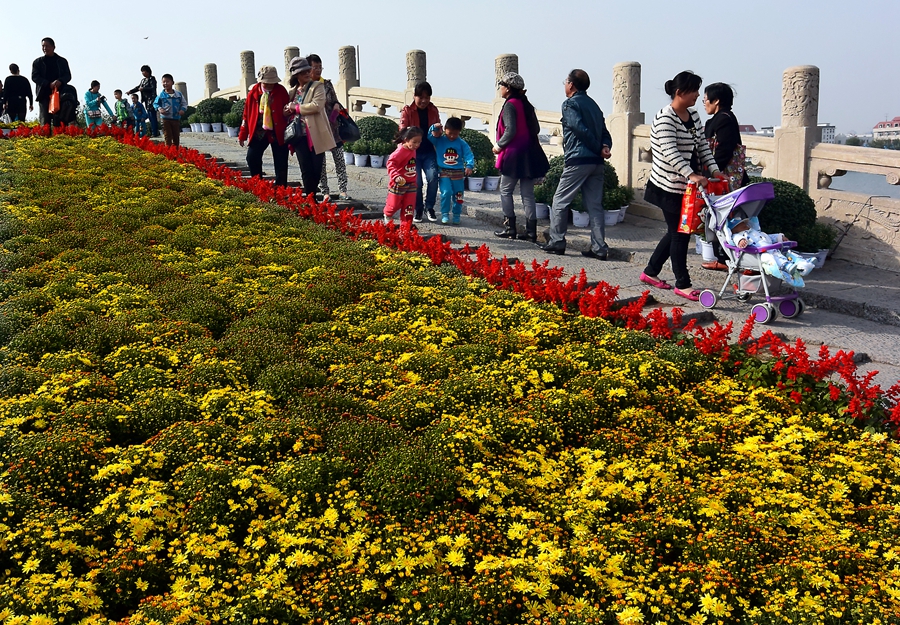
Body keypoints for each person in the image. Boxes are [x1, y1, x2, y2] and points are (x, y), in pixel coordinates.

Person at [639, 70, 726, 302]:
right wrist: (692, 175)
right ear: (680, 93)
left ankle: (650, 272)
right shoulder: (665, 118)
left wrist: (714, 169)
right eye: (695, 90)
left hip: (684, 185)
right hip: (666, 185)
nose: (699, 95)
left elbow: (702, 146)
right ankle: (683, 284)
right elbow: (670, 153)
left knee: (675, 231)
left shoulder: (693, 116)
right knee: (680, 233)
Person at [539, 69, 613, 260]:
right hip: (596, 162)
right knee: (595, 206)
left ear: (571, 84)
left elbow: (578, 128)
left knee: (560, 201)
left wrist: (597, 147)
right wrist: (604, 146)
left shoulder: (570, 104)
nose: (565, 84)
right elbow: (605, 131)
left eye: (566, 81)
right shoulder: (594, 106)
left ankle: (557, 241)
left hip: (578, 160)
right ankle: (599, 248)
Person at [492, 71, 550, 243]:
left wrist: (499, 145)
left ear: (508, 88)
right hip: (530, 152)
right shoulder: (526, 104)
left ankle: (510, 228)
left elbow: (510, 130)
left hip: (514, 154)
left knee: (505, 190)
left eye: (501, 85)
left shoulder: (510, 105)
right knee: (527, 194)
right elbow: (537, 129)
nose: (500, 88)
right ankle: (531, 232)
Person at [702, 82, 750, 271]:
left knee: (729, 219)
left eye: (706, 99)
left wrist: (712, 174)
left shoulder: (725, 119)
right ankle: (723, 258)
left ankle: (737, 259)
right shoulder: (716, 119)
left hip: (725, 180)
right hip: (719, 178)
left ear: (717, 100)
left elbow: (723, 150)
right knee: (718, 218)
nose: (704, 103)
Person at [284, 56, 336, 196]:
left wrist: (296, 107)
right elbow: (287, 109)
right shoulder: (293, 91)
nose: (307, 73)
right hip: (299, 135)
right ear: (296, 75)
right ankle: (310, 198)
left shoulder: (317, 87)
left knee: (316, 168)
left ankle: (311, 195)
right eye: (303, 72)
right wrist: (287, 109)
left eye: (308, 70)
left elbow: (317, 106)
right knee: (305, 168)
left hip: (315, 134)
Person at [238, 65, 290, 187]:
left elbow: (287, 109)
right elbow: (246, 115)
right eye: (267, 83)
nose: (270, 85)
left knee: (281, 161)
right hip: (259, 131)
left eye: (272, 83)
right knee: (252, 157)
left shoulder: (281, 91)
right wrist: (242, 134)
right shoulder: (254, 92)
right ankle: (258, 184)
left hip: (277, 131)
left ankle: (281, 188)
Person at [307, 54, 350, 202]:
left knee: (339, 160)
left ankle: (343, 190)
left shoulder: (327, 84)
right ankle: (325, 191)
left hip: (333, 129)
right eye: (315, 67)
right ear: (308, 69)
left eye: (320, 67)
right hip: (316, 130)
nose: (318, 70)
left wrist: (337, 106)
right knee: (321, 164)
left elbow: (335, 101)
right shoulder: (306, 87)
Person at [727, 217, 814, 287]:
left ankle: (802, 265)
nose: (745, 225)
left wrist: (779, 237)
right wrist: (741, 241)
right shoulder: (738, 235)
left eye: (745, 224)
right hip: (760, 254)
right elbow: (736, 239)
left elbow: (769, 237)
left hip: (772, 250)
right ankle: (787, 266)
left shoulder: (757, 233)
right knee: (773, 258)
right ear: (734, 230)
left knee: (788, 254)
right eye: (741, 225)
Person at [400, 81, 440, 222]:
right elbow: (402, 130)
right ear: (414, 96)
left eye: (427, 97)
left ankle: (429, 207)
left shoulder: (433, 110)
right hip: (413, 153)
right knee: (416, 181)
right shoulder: (407, 110)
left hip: (429, 151)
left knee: (433, 177)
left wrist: (438, 131)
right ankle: (418, 208)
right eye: (420, 97)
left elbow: (438, 131)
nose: (424, 101)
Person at [428, 117, 475, 225]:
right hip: (444, 172)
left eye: (455, 134)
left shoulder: (462, 143)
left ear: (459, 132)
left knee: (458, 195)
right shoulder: (439, 140)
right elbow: (429, 136)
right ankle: (445, 214)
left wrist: (469, 165)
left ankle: (457, 214)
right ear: (445, 129)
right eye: (450, 133)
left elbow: (468, 155)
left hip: (458, 173)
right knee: (446, 192)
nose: (452, 136)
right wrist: (434, 127)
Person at [384, 126, 423, 231]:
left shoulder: (412, 150)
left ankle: (405, 228)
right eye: (414, 142)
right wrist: (396, 176)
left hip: (411, 184)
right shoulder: (400, 151)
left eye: (419, 142)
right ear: (406, 139)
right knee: (393, 205)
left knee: (409, 208)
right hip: (398, 184)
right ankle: (387, 214)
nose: (417, 145)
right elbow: (391, 163)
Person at [31, 37, 71, 127]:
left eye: (47, 46)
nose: (45, 48)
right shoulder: (38, 62)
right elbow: (35, 77)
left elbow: (68, 76)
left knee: (60, 121)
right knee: (45, 121)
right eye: (43, 46)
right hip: (44, 94)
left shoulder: (62, 61)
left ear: (53, 47)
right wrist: (48, 84)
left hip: (60, 95)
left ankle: (60, 138)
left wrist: (60, 81)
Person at [153, 74, 187, 147]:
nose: (165, 84)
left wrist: (182, 110)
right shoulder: (161, 95)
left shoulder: (178, 94)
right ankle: (169, 152)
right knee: (167, 136)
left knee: (176, 137)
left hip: (176, 118)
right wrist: (160, 109)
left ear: (172, 82)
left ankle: (176, 153)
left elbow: (184, 104)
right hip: (165, 119)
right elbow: (155, 104)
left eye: (167, 81)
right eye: (163, 82)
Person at [127, 66, 159, 138]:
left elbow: (152, 88)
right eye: (142, 72)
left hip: (152, 99)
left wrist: (144, 88)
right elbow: (138, 88)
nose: (143, 73)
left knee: (152, 116)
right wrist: (131, 91)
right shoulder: (143, 80)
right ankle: (153, 132)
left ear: (147, 71)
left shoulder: (152, 79)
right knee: (150, 116)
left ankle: (155, 132)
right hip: (146, 100)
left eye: (144, 71)